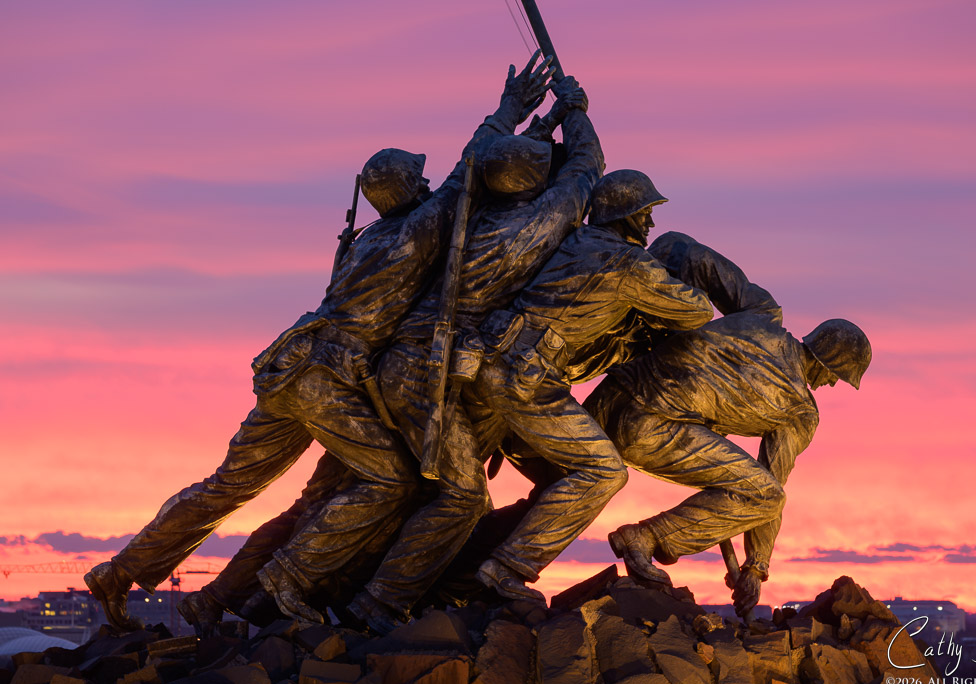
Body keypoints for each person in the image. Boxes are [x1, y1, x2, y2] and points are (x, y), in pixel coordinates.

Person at [84, 54, 555, 632]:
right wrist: (511, 111)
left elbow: (461, 178)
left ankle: (119, 570)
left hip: (292, 367)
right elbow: (468, 173)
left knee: (226, 487)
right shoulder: (414, 231)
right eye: (421, 179)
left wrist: (529, 131)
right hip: (324, 376)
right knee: (391, 480)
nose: (431, 183)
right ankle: (290, 576)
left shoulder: (368, 237)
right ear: (409, 189)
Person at [332, 73, 602, 631]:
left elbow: (474, 164)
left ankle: (406, 589)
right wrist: (575, 111)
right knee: (461, 495)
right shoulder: (529, 226)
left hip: (415, 368)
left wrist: (528, 117)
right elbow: (585, 170)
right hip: (420, 372)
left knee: (439, 490)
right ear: (530, 185)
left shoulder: (466, 214)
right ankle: (375, 605)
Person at [585, 233, 871, 615]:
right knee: (766, 495)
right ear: (829, 363)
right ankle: (646, 537)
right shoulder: (800, 412)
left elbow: (684, 250)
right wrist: (757, 567)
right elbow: (769, 491)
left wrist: (652, 278)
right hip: (646, 430)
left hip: (608, 397)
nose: (833, 383)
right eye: (838, 375)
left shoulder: (760, 312)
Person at [465, 171, 714, 602]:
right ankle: (505, 569)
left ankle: (463, 571)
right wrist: (664, 279)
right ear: (626, 216)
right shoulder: (629, 264)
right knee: (603, 472)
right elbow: (697, 312)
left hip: (490, 364)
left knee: (559, 477)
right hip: (526, 381)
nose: (650, 225)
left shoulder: (573, 241)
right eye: (646, 214)